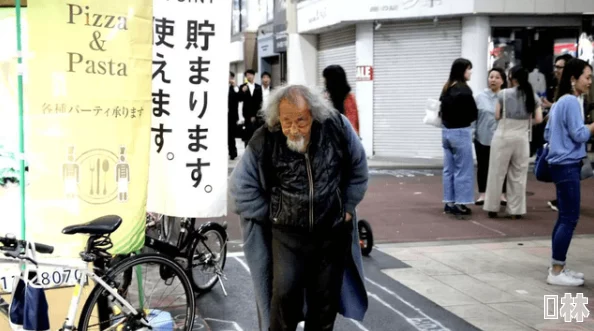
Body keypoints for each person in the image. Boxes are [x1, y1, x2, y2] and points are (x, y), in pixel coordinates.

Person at [229, 84, 369, 331]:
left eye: (301, 121)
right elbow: (240, 188)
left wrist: (346, 207)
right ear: (277, 118)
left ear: (313, 114)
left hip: (331, 233)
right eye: (286, 121)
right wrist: (273, 212)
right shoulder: (265, 138)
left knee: (325, 303)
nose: (293, 129)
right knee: (284, 299)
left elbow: (359, 168)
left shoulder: (337, 127)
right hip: (287, 238)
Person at [544, 59, 593, 286]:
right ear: (574, 78)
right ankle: (556, 271)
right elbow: (580, 135)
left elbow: (547, 133)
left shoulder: (559, 102)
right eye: (587, 77)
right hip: (567, 165)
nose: (590, 82)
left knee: (564, 216)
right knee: (569, 217)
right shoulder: (571, 101)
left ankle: (558, 265)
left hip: (559, 164)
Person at [483, 65, 543, 219]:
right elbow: (538, 119)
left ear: (511, 78)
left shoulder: (503, 94)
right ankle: (515, 211)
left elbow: (497, 116)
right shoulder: (533, 96)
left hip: (503, 134)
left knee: (497, 172)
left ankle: (492, 207)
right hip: (522, 137)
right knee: (518, 175)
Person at [440, 58, 478, 216]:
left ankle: (449, 202)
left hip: (446, 132)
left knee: (449, 169)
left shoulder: (447, 88)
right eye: (468, 69)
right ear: (462, 70)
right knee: (463, 169)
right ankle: (461, 203)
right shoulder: (464, 90)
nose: (470, 72)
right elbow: (473, 113)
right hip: (461, 132)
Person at [541, 54, 574, 211]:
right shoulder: (559, 86)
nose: (556, 70)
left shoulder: (572, 90)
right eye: (555, 67)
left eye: (559, 67)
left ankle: (565, 201)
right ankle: (563, 199)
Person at [474, 68, 508, 205]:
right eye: (491, 77)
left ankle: (502, 194)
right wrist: (472, 133)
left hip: (501, 136)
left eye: (497, 77)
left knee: (502, 166)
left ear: (503, 81)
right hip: (482, 136)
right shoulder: (479, 97)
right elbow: (473, 117)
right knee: (483, 166)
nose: (493, 80)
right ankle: (483, 194)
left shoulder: (506, 97)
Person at [323, 65, 360, 135]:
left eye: (326, 79)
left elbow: (352, 127)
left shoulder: (349, 99)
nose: (324, 83)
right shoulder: (326, 97)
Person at [239, 69, 263, 146]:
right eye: (247, 75)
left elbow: (260, 102)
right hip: (247, 115)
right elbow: (240, 99)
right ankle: (247, 152)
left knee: (257, 134)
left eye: (250, 75)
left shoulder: (259, 87)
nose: (249, 76)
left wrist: (256, 115)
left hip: (257, 115)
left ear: (254, 75)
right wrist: (242, 91)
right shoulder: (243, 86)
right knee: (248, 135)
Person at [228, 71, 240, 160]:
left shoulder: (234, 88)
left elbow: (239, 97)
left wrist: (235, 86)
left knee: (231, 135)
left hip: (231, 115)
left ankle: (233, 152)